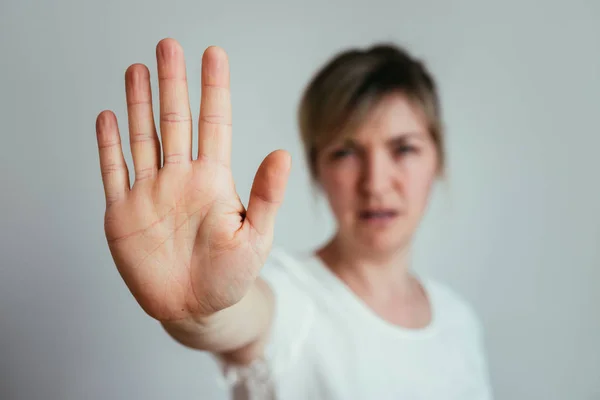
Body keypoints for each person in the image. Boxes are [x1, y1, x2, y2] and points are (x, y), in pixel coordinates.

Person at [95, 38, 493, 399]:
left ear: (437, 158)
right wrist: (201, 311)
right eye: (345, 153)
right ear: (317, 170)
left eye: (403, 148)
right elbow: (243, 318)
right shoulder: (292, 297)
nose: (375, 184)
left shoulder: (458, 320)